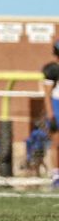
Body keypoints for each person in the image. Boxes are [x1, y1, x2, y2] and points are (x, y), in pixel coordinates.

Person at [44, 40, 59, 188]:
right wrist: (50, 114)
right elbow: (47, 95)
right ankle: (56, 175)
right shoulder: (53, 70)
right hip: (57, 105)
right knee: (57, 143)